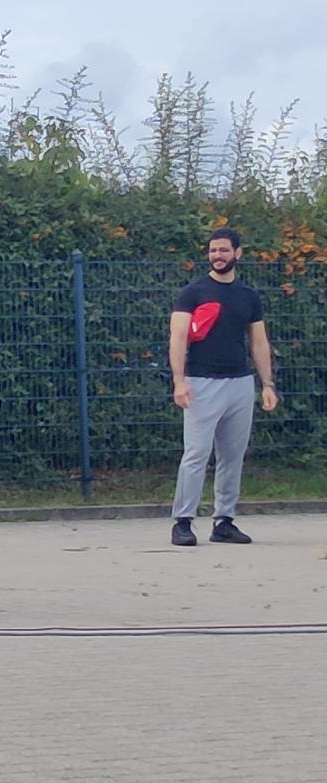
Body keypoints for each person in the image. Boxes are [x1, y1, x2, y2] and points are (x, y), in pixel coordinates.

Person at [168, 226, 279, 546]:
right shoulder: (193, 292)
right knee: (197, 453)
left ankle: (224, 521)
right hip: (201, 382)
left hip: (240, 384)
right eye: (213, 250)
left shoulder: (249, 296)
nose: (217, 255)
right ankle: (183, 522)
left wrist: (266, 384)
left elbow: (259, 342)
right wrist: (179, 381)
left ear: (237, 253)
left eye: (224, 250)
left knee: (233, 455)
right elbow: (177, 338)